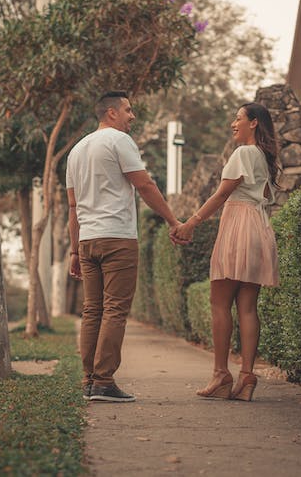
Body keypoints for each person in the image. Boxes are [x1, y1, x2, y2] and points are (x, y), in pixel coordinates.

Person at [66, 91, 184, 403]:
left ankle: (89, 379)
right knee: (115, 309)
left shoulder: (76, 151)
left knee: (92, 310)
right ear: (111, 113)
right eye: (128, 110)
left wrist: (74, 251)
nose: (132, 116)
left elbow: (72, 207)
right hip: (117, 238)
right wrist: (173, 220)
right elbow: (144, 184)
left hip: (88, 239)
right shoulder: (119, 141)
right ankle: (104, 382)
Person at [173, 103, 279, 401]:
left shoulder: (243, 153)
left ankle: (221, 374)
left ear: (254, 123)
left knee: (219, 302)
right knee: (247, 306)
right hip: (258, 228)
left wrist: (191, 223)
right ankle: (246, 376)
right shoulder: (263, 157)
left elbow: (222, 193)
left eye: (238, 118)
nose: (233, 123)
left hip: (238, 227)